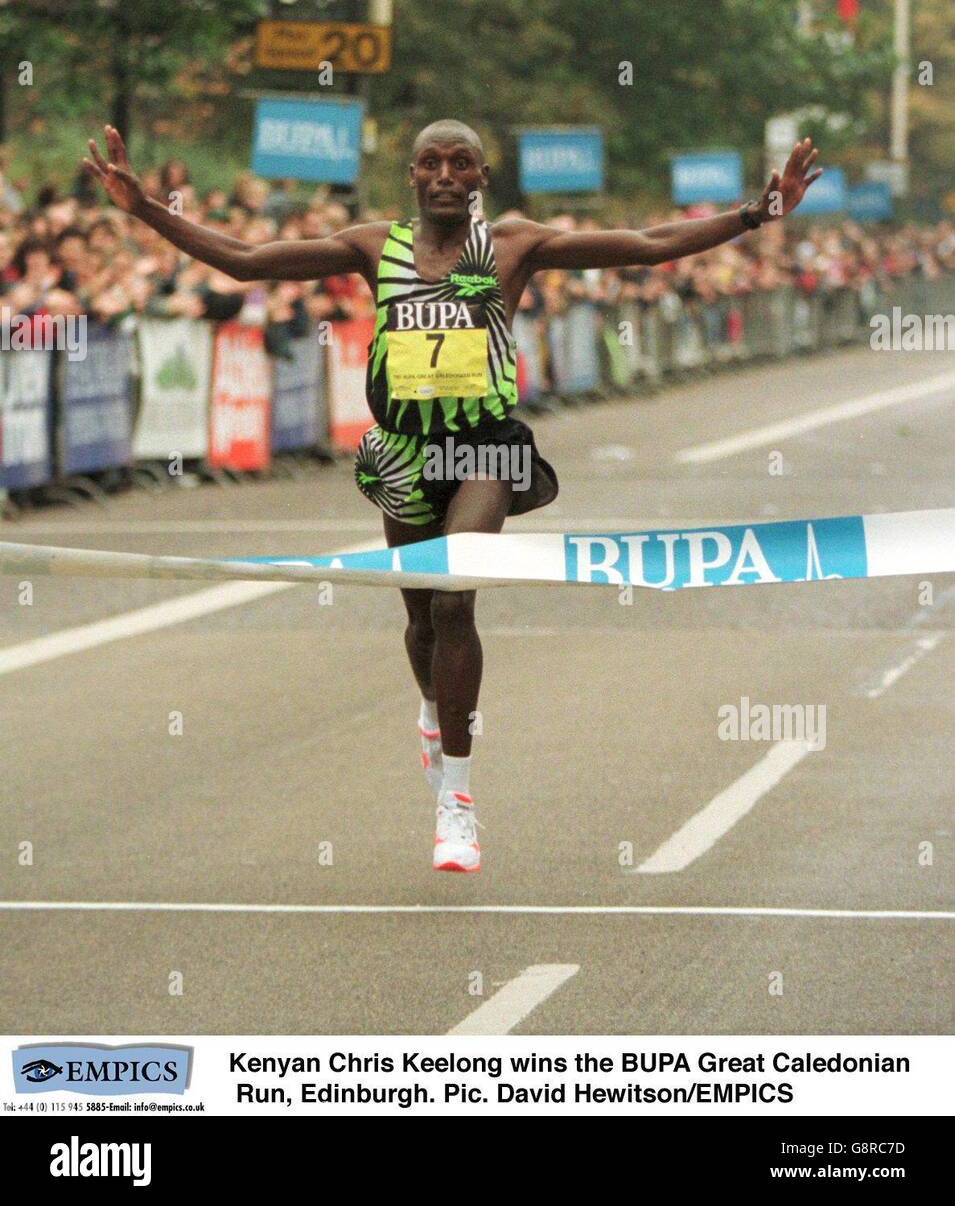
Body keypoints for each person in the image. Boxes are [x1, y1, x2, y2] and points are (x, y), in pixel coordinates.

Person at [83, 120, 821, 873]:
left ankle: (457, 804)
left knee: (451, 599)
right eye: (430, 162)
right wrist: (145, 209)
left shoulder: (512, 246)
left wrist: (756, 212)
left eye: (459, 163)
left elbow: (644, 244)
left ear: (479, 177)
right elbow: (244, 261)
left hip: (483, 448)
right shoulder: (375, 246)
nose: (444, 173)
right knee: (418, 620)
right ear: (411, 176)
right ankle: (434, 713)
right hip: (404, 451)